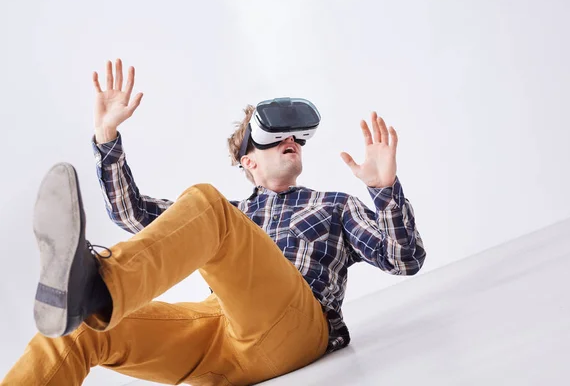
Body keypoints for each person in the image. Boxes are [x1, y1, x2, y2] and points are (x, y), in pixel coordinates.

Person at [2, 59, 427, 386]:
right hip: (218, 334)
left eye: (296, 139)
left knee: (205, 205)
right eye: (275, 139)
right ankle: (92, 296)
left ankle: (102, 285)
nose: (290, 142)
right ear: (248, 161)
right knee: (80, 328)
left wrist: (384, 188)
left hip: (296, 326)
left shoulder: (334, 206)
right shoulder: (230, 218)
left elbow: (404, 259)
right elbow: (132, 213)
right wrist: (107, 137)